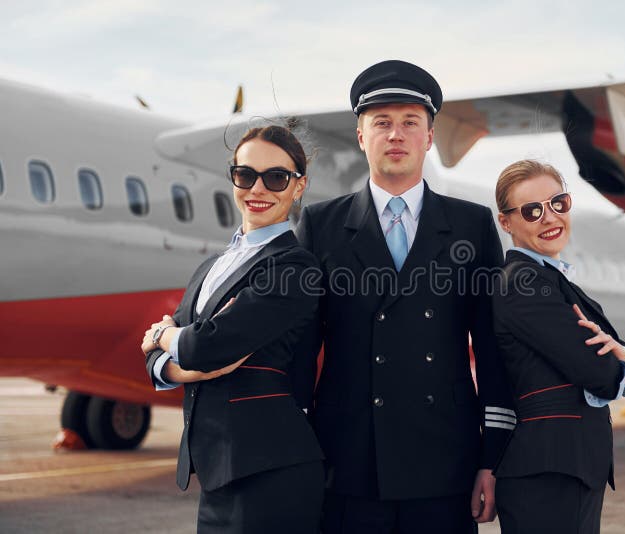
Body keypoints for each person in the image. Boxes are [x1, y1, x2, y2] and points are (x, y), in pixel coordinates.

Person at [296, 60, 514, 534]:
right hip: (349, 463)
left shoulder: (472, 226)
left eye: (410, 122)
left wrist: (492, 459)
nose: (396, 135)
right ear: (360, 136)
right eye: (382, 123)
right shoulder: (321, 225)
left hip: (445, 464)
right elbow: (299, 349)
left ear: (429, 137)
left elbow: (495, 349)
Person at [140, 125, 324, 534]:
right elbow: (174, 359)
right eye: (245, 175)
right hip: (217, 472)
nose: (258, 188)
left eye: (276, 177)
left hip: (271, 472)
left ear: (299, 186)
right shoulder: (211, 267)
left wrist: (164, 337)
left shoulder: (295, 268)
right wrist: (179, 357)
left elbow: (203, 346)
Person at [491, 159, 625, 533]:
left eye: (558, 203)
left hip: (565, 470)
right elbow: (597, 371)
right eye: (532, 211)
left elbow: (610, 354)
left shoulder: (548, 281)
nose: (549, 218)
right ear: (506, 223)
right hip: (551, 475)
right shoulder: (525, 284)